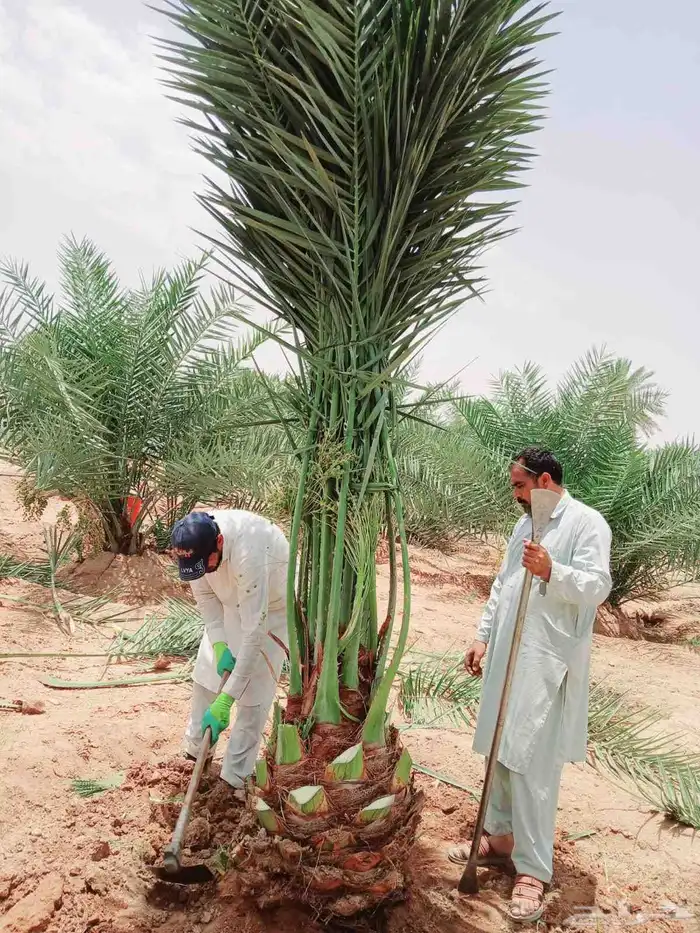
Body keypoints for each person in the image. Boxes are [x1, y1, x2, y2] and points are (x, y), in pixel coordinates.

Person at [448, 448, 612, 923]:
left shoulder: (586, 523)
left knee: (533, 766)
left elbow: (597, 586)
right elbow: (503, 584)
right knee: (498, 747)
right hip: (507, 653)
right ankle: (500, 839)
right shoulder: (525, 525)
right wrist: (482, 635)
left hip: (546, 661)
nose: (514, 493)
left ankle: (533, 871)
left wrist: (552, 572)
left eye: (519, 485)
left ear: (543, 480)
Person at [170, 509, 289, 794]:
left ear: (220, 542)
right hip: (229, 607)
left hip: (269, 613)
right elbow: (206, 598)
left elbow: (254, 634)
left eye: (205, 563)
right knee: (206, 680)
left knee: (252, 700)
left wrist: (227, 699)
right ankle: (195, 755)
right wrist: (220, 643)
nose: (201, 570)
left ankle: (233, 780)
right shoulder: (195, 550)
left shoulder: (250, 553)